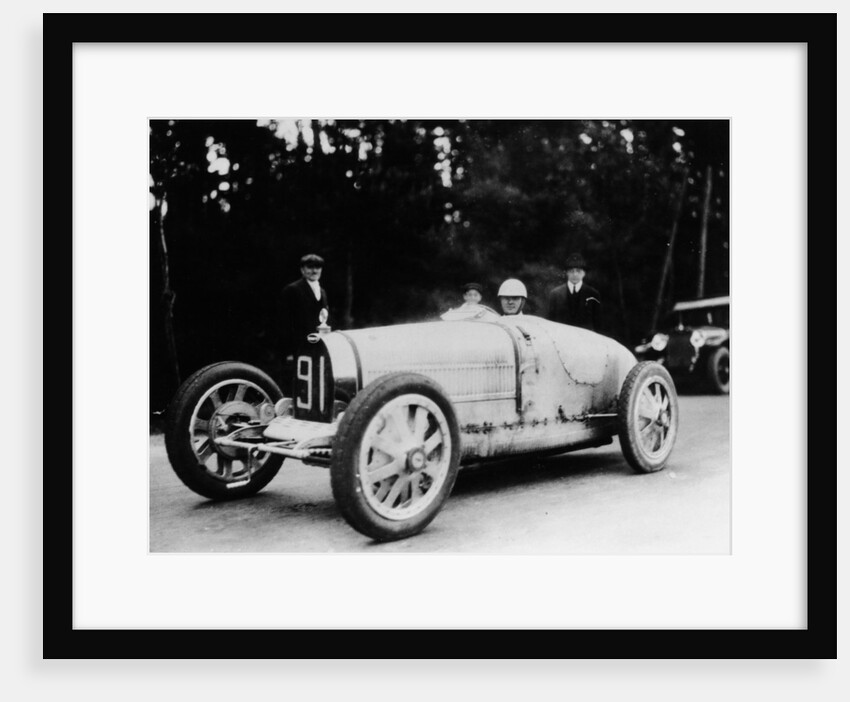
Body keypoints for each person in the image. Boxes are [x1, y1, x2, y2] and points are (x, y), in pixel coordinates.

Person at [278, 253, 330, 374]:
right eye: (310, 267)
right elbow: (284, 323)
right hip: (298, 349)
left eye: (318, 267)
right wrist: (288, 352)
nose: (314, 271)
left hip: (318, 349)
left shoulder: (322, 292)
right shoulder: (292, 290)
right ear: (302, 270)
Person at [547, 253, 601, 331]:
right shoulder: (555, 294)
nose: (575, 274)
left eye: (578, 271)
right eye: (571, 271)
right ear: (566, 273)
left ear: (584, 273)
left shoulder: (593, 294)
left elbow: (598, 324)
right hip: (561, 336)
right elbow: (550, 323)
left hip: (585, 337)